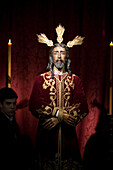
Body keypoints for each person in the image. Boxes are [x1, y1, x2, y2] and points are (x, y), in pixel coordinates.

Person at [29, 24, 89, 170]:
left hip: (68, 134)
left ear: (67, 56)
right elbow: (35, 104)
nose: (60, 56)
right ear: (51, 56)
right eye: (56, 52)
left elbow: (82, 105)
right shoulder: (41, 79)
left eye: (63, 52)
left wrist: (60, 118)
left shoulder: (75, 80)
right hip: (47, 133)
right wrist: (57, 112)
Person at [0, 87, 33, 170]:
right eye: (8, 103)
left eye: (14, 103)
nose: (12, 107)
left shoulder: (11, 119)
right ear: (0, 104)